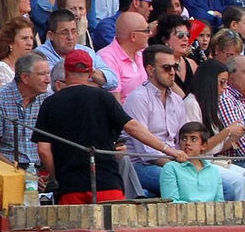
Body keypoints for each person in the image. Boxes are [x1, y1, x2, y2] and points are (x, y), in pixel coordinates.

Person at [35, 51, 184, 203]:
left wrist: (58, 175)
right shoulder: (104, 97)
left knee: (74, 227)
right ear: (91, 72)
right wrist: (168, 150)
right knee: (113, 226)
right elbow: (132, 127)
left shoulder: (50, 103)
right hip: (107, 183)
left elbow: (43, 150)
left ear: (66, 72)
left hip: (70, 187)